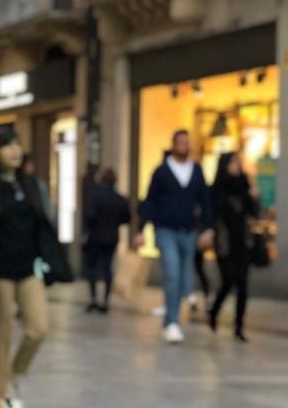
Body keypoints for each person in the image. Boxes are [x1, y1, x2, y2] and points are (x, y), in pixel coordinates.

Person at [0, 130, 50, 408]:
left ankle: (14, 374)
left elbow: (42, 224)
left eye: (17, 144)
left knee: (39, 328)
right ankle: (3, 394)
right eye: (7, 146)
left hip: (27, 266)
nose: (14, 151)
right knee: (2, 329)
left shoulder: (30, 184)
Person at [136, 130, 214, 344]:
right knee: (171, 272)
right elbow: (149, 200)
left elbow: (205, 200)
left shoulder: (196, 171)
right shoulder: (161, 172)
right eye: (180, 143)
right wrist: (141, 229)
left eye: (187, 143)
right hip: (165, 230)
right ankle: (172, 321)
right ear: (173, 145)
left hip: (188, 231)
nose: (183, 146)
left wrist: (208, 228)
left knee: (181, 275)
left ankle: (174, 316)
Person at [208, 152, 258, 342]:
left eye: (238, 162)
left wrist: (253, 195)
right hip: (224, 244)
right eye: (233, 162)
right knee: (228, 281)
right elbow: (213, 215)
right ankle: (214, 310)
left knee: (243, 285)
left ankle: (239, 326)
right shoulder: (217, 188)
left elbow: (254, 212)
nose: (237, 166)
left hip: (243, 243)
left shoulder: (245, 185)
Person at [82, 167, 131, 313]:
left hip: (95, 236)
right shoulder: (120, 199)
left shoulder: (94, 196)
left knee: (92, 268)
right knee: (107, 268)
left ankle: (93, 298)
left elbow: (89, 216)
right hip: (111, 238)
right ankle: (105, 300)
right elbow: (126, 218)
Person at [22, 154, 53, 222]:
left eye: (31, 165)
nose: (31, 167)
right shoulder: (18, 183)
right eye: (28, 165)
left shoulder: (38, 183)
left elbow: (45, 206)